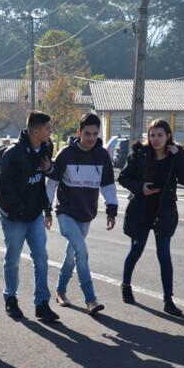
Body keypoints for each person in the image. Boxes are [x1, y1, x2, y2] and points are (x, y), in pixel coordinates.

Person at [118, 119, 184, 316]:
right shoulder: (139, 154)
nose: (156, 139)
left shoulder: (175, 156)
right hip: (141, 210)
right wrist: (140, 188)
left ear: (168, 136)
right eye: (152, 135)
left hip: (164, 212)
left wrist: (178, 156)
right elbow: (123, 178)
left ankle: (168, 300)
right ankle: (126, 285)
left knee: (164, 255)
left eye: (160, 135)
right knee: (136, 250)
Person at [45, 113, 118, 315]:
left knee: (72, 254)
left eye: (95, 134)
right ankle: (91, 299)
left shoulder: (102, 156)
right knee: (82, 252)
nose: (91, 138)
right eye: (87, 134)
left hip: (87, 214)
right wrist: (47, 210)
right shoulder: (66, 154)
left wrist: (111, 211)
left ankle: (60, 290)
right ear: (79, 133)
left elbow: (108, 186)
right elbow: (52, 183)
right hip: (66, 212)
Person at [0, 111, 59, 321]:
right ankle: (10, 298)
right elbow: (2, 187)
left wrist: (49, 168)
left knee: (41, 257)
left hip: (35, 215)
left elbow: (50, 176)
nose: (51, 131)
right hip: (13, 215)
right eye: (48, 128)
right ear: (35, 131)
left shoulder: (47, 148)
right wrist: (19, 209)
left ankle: (41, 303)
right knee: (12, 259)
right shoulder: (13, 154)